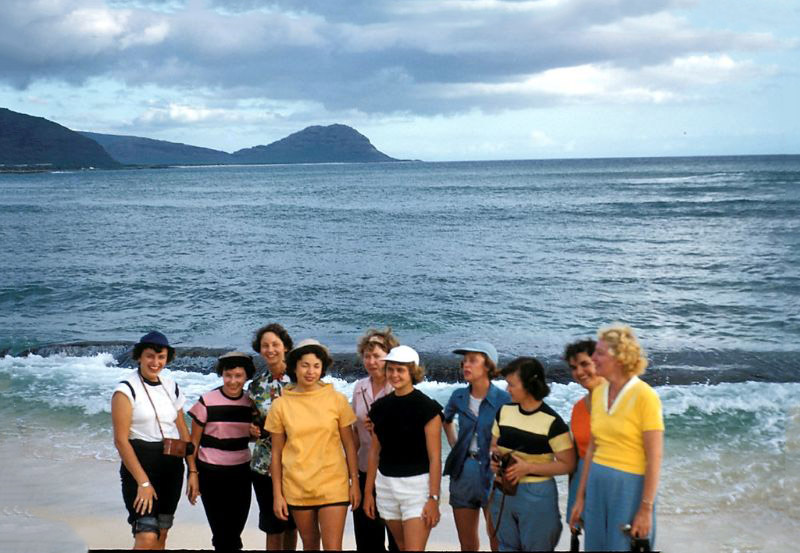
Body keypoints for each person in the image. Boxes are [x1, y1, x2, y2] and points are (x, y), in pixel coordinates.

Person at [569, 325, 664, 551]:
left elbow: (655, 458)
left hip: (629, 488)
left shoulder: (646, 396)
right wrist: (580, 498)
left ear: (620, 357)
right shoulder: (600, 392)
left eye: (600, 353)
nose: (593, 358)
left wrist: (645, 509)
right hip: (596, 485)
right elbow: (593, 448)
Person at [266, 339, 360, 550]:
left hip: (333, 483)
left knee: (333, 546)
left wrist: (354, 482)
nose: (311, 371)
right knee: (309, 543)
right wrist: (277, 495)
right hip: (297, 485)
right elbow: (276, 452)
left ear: (322, 368)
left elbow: (349, 445)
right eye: (305, 365)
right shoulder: (281, 404)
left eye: (316, 366)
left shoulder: (336, 400)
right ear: (294, 367)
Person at [111, 331, 190, 550]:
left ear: (167, 358)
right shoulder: (125, 390)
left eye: (161, 357)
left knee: (161, 534)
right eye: (150, 356)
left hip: (171, 470)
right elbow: (120, 441)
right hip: (140, 469)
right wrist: (143, 483)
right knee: (146, 536)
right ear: (139, 356)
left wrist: (193, 470)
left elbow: (183, 429)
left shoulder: (170, 385)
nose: (155, 362)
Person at [489, 356, 575, 551]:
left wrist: (528, 468)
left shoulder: (553, 422)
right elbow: (494, 446)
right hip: (503, 489)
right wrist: (493, 460)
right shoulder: (504, 411)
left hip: (537, 495)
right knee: (506, 547)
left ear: (529, 385)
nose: (507, 389)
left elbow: (568, 464)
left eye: (511, 384)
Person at [363, 345, 443, 551]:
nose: (394, 374)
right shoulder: (379, 407)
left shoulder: (428, 408)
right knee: (401, 546)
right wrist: (368, 493)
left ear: (412, 372)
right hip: (385, 487)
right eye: (391, 369)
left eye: (400, 370)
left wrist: (434, 498)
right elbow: (374, 452)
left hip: (417, 489)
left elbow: (435, 457)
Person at [443, 341, 510, 551]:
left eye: (473, 360)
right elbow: (445, 420)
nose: (466, 365)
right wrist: (455, 445)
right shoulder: (458, 396)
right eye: (464, 361)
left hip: (493, 473)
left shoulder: (504, 399)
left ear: (488, 366)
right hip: (464, 471)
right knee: (467, 544)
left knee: (498, 540)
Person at [186, 351, 255, 551]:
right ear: (222, 374)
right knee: (221, 532)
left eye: (238, 376)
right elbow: (194, 443)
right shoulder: (207, 401)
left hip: (241, 472)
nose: (232, 381)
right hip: (211, 473)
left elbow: (248, 435)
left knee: (235, 530)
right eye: (228, 375)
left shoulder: (251, 403)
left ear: (246, 377)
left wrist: (254, 433)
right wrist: (192, 474)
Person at [248, 323, 298, 550]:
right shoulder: (256, 386)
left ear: (285, 347)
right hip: (264, 465)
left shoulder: (301, 381)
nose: (270, 349)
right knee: (272, 525)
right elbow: (249, 422)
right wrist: (251, 430)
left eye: (275, 344)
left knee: (293, 524)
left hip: (297, 464)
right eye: (265, 346)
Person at [351, 328, 400, 551]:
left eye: (377, 356)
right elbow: (354, 432)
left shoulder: (399, 387)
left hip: (392, 471)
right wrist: (350, 472)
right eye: (367, 356)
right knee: (367, 537)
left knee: (398, 539)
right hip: (363, 469)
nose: (371, 361)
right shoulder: (359, 387)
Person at [563, 339, 603, 527]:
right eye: (574, 367)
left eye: (585, 364)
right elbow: (576, 456)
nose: (579, 372)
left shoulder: (621, 402)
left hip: (612, 483)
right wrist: (574, 502)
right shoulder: (578, 408)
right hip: (583, 484)